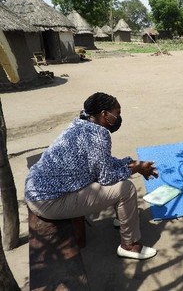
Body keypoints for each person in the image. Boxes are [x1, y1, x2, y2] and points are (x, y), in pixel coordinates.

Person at [25, 92, 159, 260]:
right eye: (117, 112)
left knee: (119, 176)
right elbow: (106, 177)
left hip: (35, 191)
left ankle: (123, 219)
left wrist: (129, 163)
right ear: (104, 114)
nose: (119, 117)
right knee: (126, 188)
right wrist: (136, 169)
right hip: (48, 202)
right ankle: (130, 246)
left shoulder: (80, 123)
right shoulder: (99, 135)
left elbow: (100, 161)